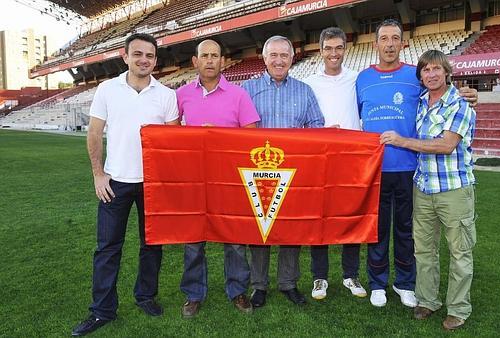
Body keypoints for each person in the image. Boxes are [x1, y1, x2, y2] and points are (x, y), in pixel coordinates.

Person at [356, 19, 477, 308]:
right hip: (375, 169)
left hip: (411, 169)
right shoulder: (362, 78)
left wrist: (468, 93)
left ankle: (405, 283)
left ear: (402, 43)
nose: (389, 44)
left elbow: (442, 92)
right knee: (378, 229)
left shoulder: (415, 75)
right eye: (383, 38)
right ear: (375, 44)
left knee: (407, 231)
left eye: (394, 38)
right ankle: (377, 283)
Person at [72, 33, 179, 336]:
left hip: (152, 184)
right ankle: (102, 310)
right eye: (138, 54)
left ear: (156, 60)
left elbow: (173, 141)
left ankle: (146, 296)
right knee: (107, 248)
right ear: (125, 56)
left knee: (152, 246)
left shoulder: (166, 95)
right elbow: (94, 133)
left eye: (150, 55)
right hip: (114, 182)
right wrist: (97, 173)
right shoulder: (107, 89)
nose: (144, 60)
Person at [380, 49, 476, 331]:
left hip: (454, 189)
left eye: (436, 69)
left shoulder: (459, 104)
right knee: (424, 249)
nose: (431, 75)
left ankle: (458, 308)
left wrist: (401, 141)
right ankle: (428, 300)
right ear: (420, 76)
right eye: (425, 70)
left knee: (459, 251)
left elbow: (446, 145)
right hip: (423, 187)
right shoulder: (421, 102)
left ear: (447, 72)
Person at [176, 39, 260, 317]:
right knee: (193, 239)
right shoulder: (181, 95)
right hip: (195, 179)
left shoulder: (239, 95)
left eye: (215, 56)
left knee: (235, 239)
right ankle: (193, 294)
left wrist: (220, 137)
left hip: (230, 180)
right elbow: (172, 135)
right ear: (195, 61)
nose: (210, 60)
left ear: (223, 61)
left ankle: (237, 291)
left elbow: (252, 138)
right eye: (205, 56)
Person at [242, 35, 324, 308]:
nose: (279, 60)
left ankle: (288, 283)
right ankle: (259, 285)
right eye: (273, 55)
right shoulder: (247, 89)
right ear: (264, 58)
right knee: (260, 230)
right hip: (258, 173)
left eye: (284, 56)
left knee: (291, 230)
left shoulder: (305, 90)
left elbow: (316, 127)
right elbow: (234, 130)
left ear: (292, 58)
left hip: (293, 174)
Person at [302, 27, 366, 300]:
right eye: (328, 48)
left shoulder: (357, 79)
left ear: (345, 49)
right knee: (320, 219)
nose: (333, 53)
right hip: (321, 160)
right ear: (320, 50)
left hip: (352, 159)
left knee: (351, 217)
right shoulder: (309, 82)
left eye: (338, 48)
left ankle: (351, 275)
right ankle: (320, 278)